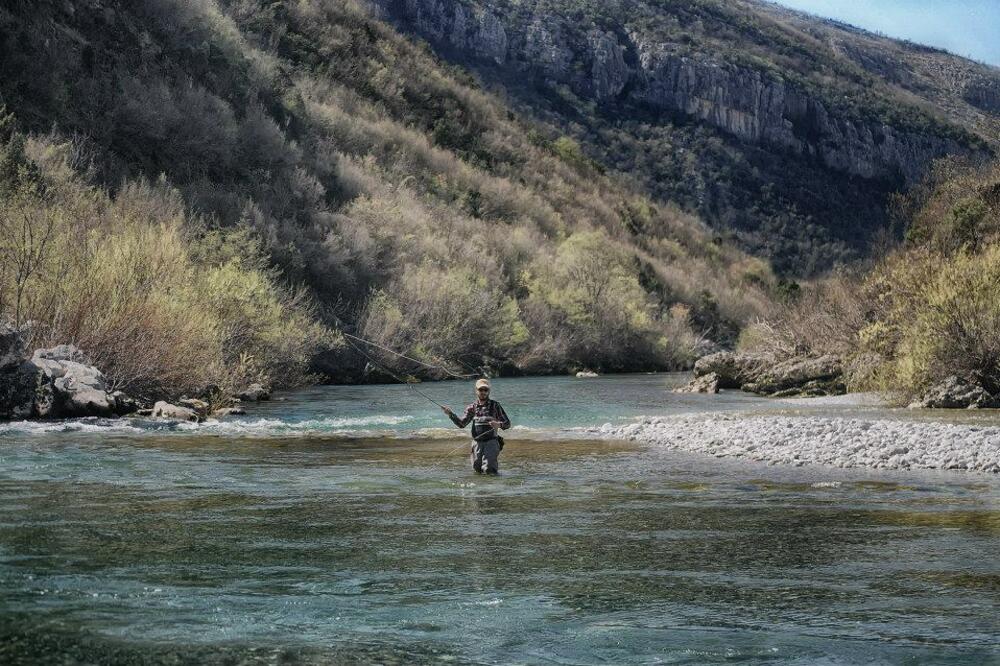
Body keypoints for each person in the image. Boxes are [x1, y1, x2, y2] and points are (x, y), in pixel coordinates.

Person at [442, 378, 511, 475]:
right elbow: (462, 424)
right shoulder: (471, 407)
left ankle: (493, 489)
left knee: (489, 469)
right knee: (477, 470)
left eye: (485, 390)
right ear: (476, 391)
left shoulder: (495, 405)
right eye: (480, 390)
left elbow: (507, 423)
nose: (483, 392)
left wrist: (498, 424)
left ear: (489, 391)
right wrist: (450, 414)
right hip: (477, 443)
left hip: (491, 442)